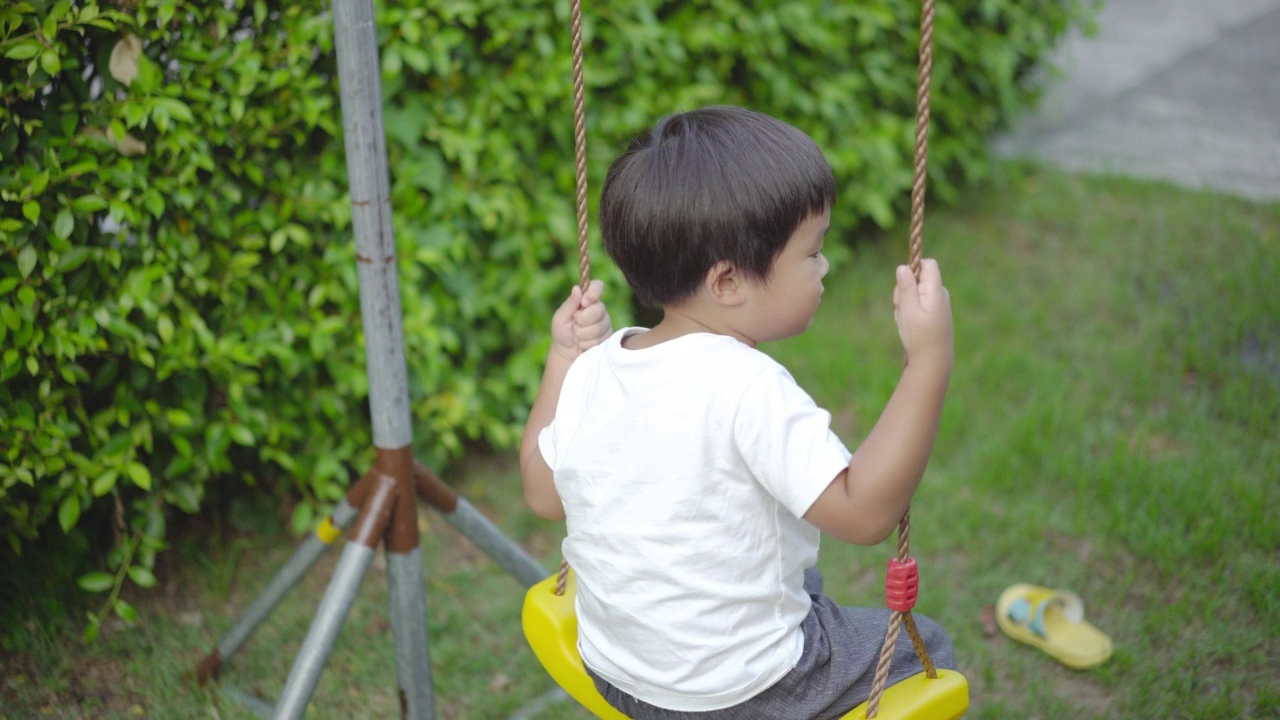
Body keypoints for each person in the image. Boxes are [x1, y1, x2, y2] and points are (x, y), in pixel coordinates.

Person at [520, 105, 956, 720]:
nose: (825, 266)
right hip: (739, 694)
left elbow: (542, 494)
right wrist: (928, 363)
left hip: (619, 670)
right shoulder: (748, 388)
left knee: (798, 582)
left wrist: (564, 357)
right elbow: (863, 514)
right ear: (727, 282)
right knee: (929, 651)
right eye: (813, 251)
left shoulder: (597, 367)